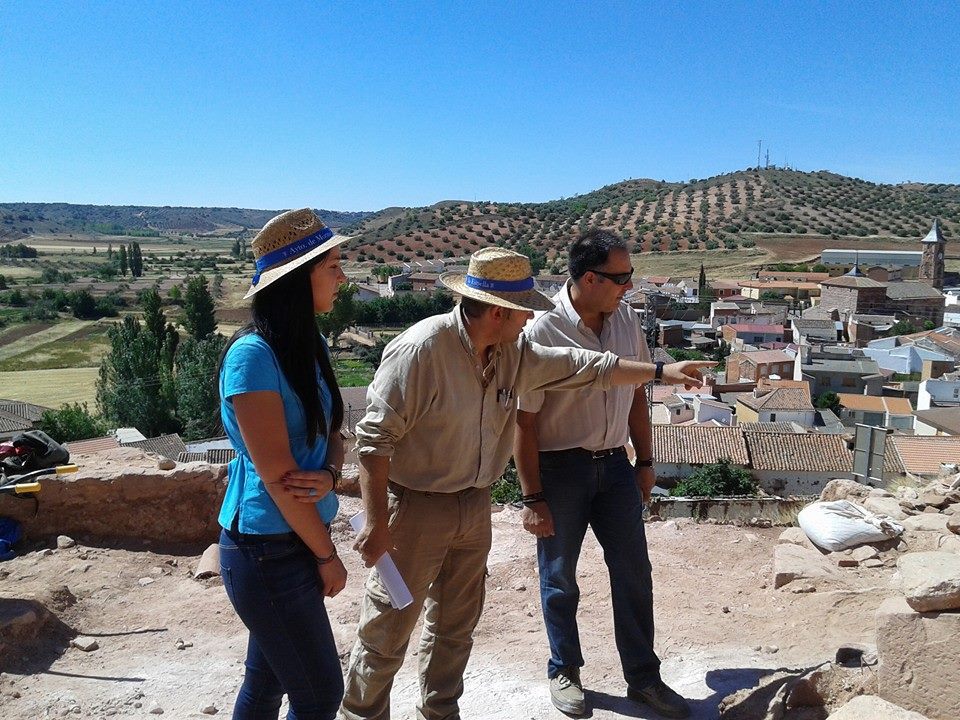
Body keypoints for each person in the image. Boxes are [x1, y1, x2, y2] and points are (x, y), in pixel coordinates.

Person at [331, 247, 711, 720]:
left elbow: (588, 367)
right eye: (523, 311)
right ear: (498, 312)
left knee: (454, 626)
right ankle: (361, 714)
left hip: (474, 507)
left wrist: (658, 371)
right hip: (417, 511)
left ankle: (440, 712)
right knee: (389, 627)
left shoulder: (511, 352)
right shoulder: (420, 351)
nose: (529, 320)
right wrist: (375, 523)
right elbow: (373, 443)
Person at [514, 229, 690, 718]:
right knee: (559, 577)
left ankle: (644, 680)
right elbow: (523, 423)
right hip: (560, 469)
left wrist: (645, 462)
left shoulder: (625, 317)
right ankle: (564, 670)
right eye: (621, 278)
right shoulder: (542, 330)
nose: (628, 287)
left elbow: (636, 393)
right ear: (589, 279)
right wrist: (532, 497)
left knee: (634, 573)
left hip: (614, 466)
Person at [216, 208, 350, 720]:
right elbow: (277, 481)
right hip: (265, 550)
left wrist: (332, 475)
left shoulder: (307, 345)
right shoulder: (252, 358)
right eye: (332, 266)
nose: (342, 277)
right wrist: (325, 555)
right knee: (318, 695)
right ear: (299, 278)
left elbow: (334, 434)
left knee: (267, 680)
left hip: (291, 542)